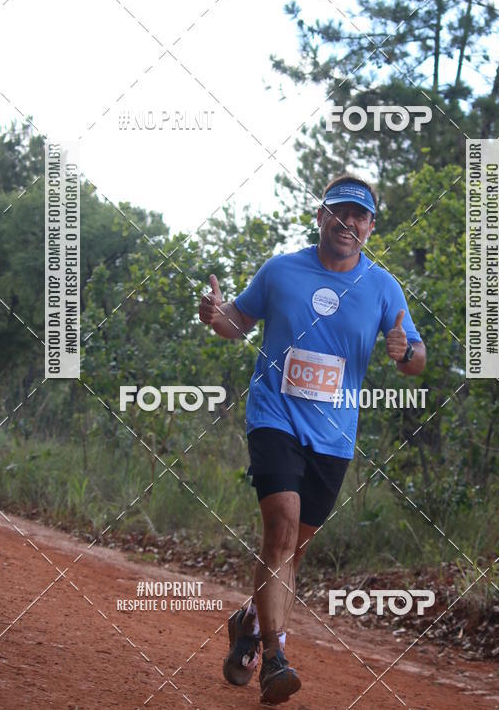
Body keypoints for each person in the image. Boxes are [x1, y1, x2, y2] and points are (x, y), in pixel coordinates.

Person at [198, 174, 426, 704]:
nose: (348, 223)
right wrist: (216, 316)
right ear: (321, 216)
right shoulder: (281, 270)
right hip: (274, 417)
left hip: (334, 435)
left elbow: (416, 358)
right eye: (339, 212)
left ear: (371, 227)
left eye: (360, 216)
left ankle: (249, 621)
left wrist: (404, 351)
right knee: (279, 529)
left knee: (293, 550)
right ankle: (275, 657)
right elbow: (237, 322)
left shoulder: (383, 287)